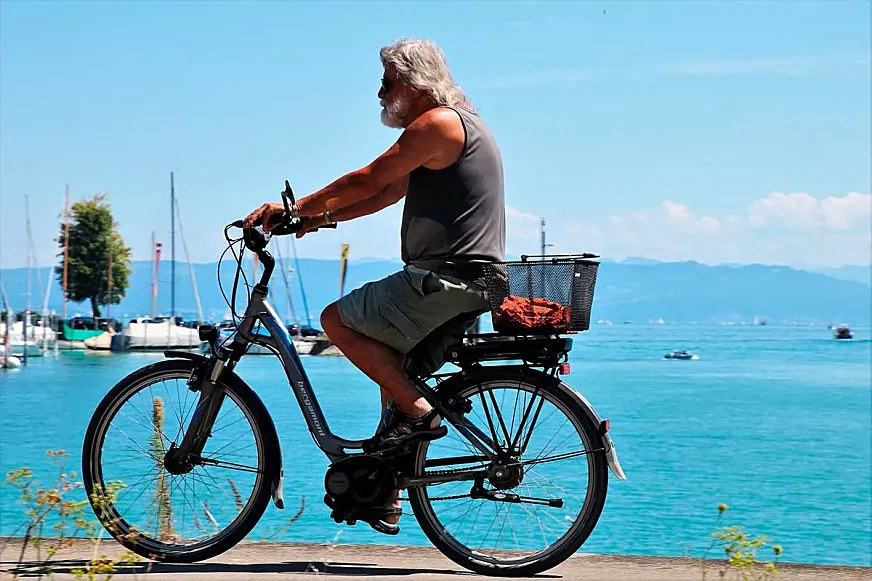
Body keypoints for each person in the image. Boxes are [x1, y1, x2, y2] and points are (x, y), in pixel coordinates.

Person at [244, 37, 506, 531]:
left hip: (449, 276)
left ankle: (422, 413)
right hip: (473, 279)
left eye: (387, 83)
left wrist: (295, 208)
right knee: (392, 366)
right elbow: (386, 192)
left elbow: (367, 177)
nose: (380, 93)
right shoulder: (455, 129)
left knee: (335, 320)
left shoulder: (438, 124)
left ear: (411, 84)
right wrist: (317, 222)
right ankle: (385, 493)